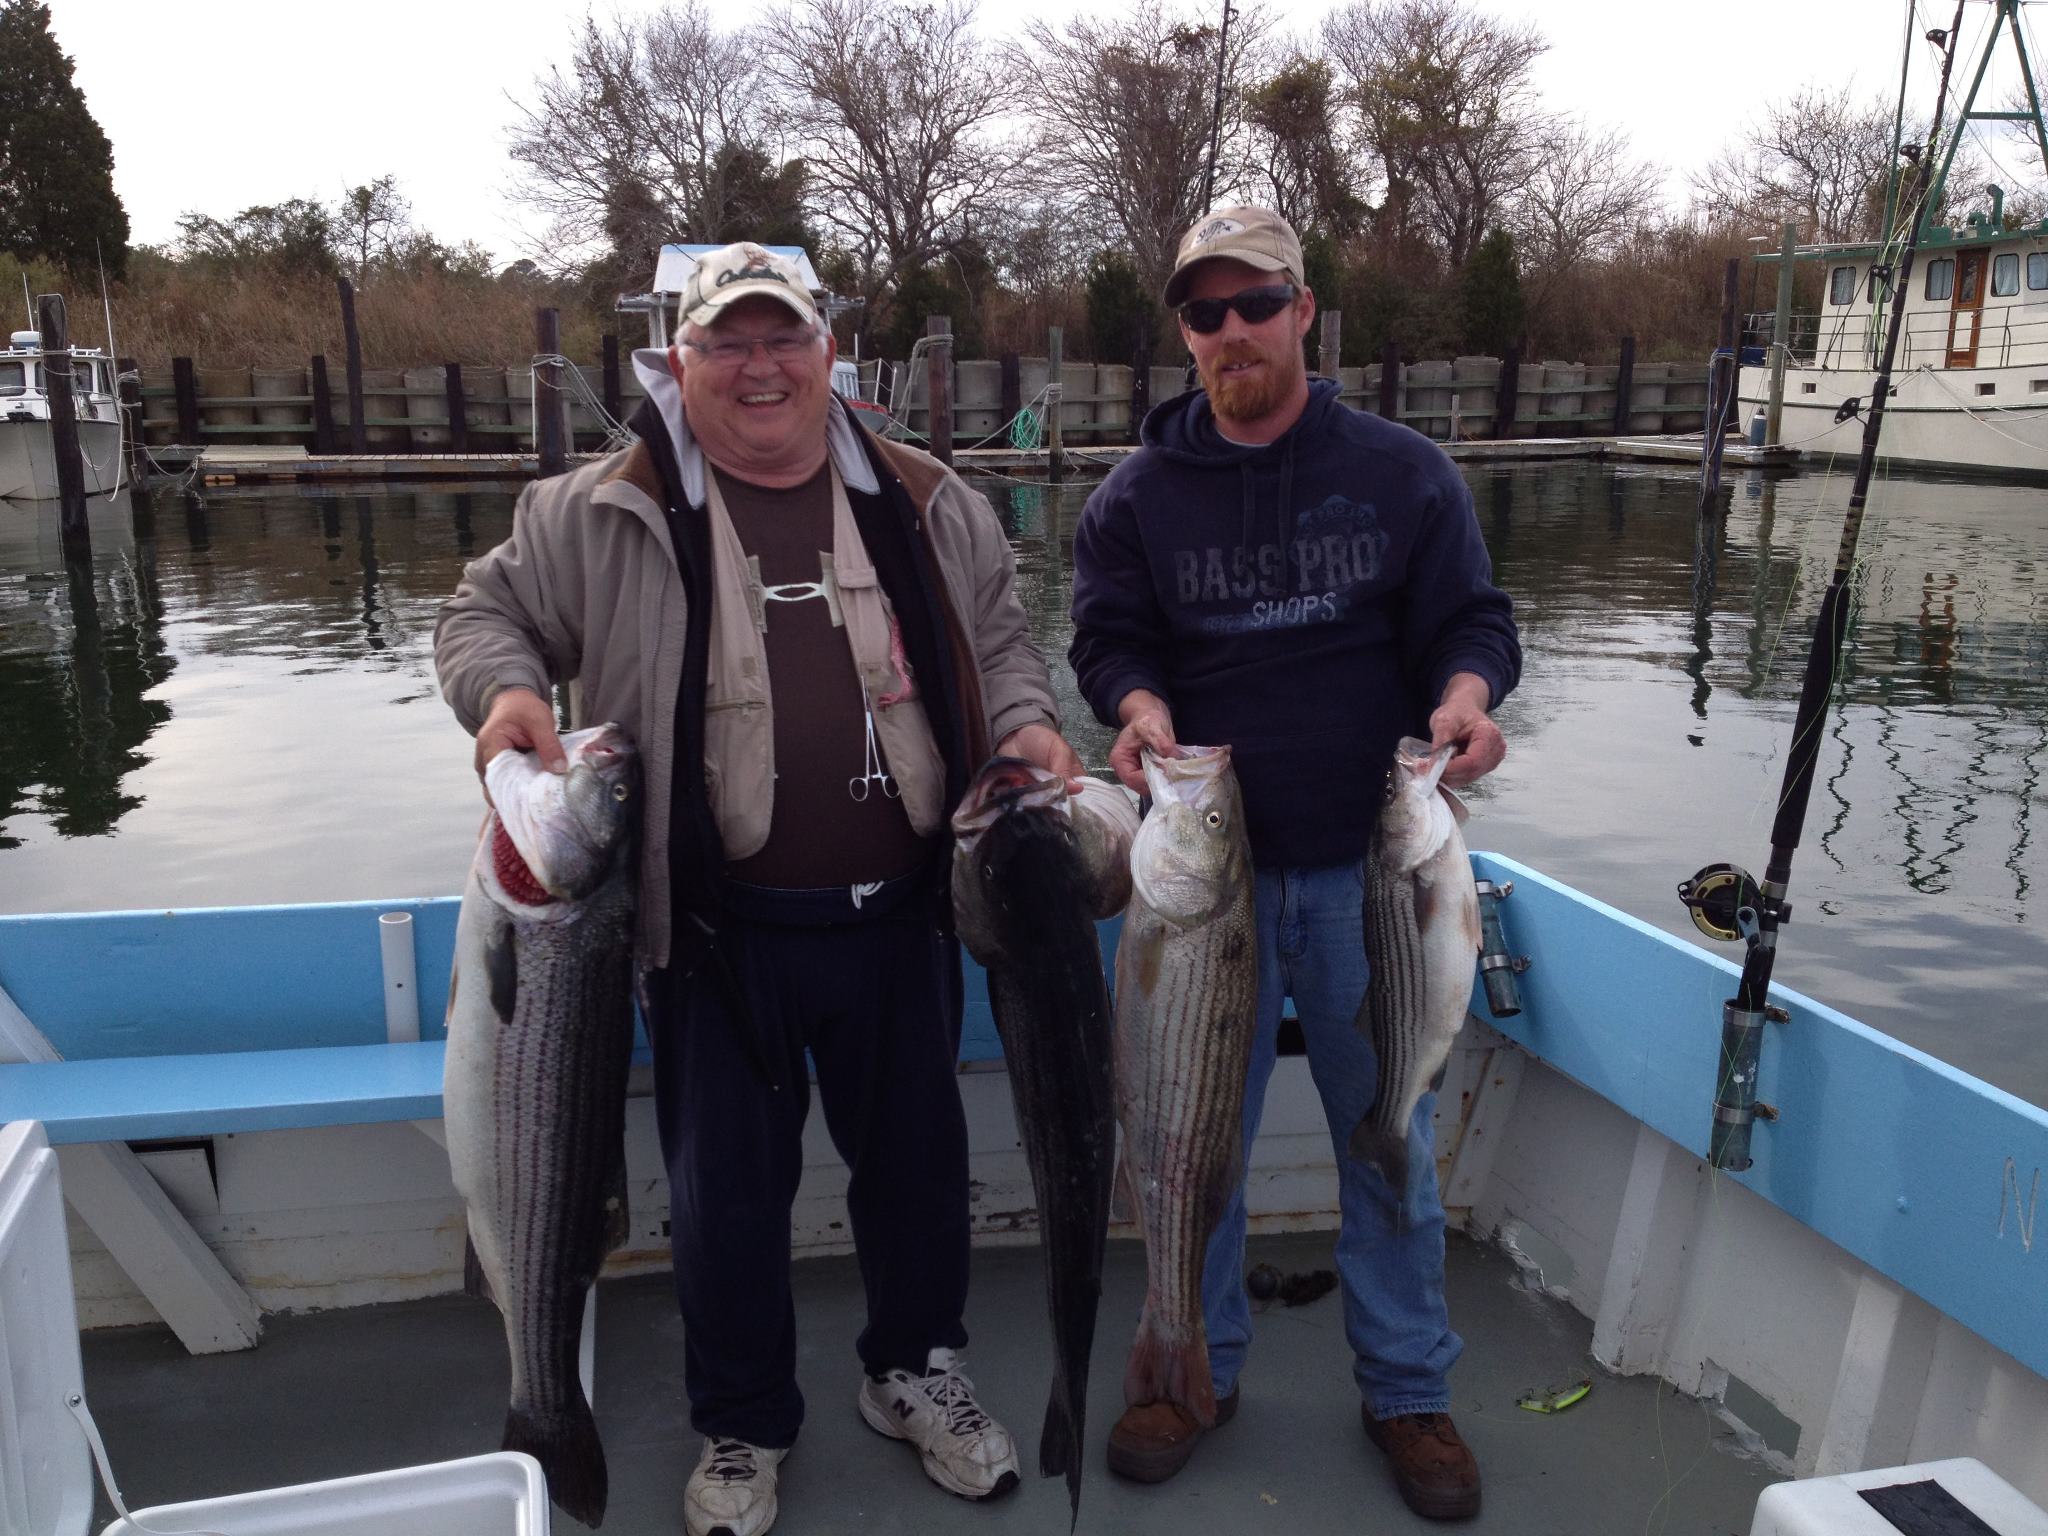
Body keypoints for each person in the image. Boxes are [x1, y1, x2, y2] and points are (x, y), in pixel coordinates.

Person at [436, 241, 1082, 1536]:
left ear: (827, 349)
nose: (759, 365)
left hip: (902, 918)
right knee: (726, 1205)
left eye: (782, 336)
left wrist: (1025, 726)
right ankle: (742, 1426)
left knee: (916, 1175)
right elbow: (479, 615)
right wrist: (507, 695)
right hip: (710, 936)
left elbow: (1006, 644)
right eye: (727, 341)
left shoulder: (926, 498)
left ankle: (913, 1372)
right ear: (680, 360)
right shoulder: (600, 509)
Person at [1068, 207, 1521, 1521]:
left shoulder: (1402, 472)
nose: (1229, 334)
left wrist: (1468, 699)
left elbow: (1472, 622)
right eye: (1202, 315)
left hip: (1370, 878)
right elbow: (1106, 640)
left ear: (1304, 309)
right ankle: (1183, 1366)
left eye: (1252, 304)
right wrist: (1140, 704)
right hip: (1201, 889)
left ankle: (1407, 1390)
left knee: (1388, 1143)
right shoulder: (1135, 499)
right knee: (1179, 1144)